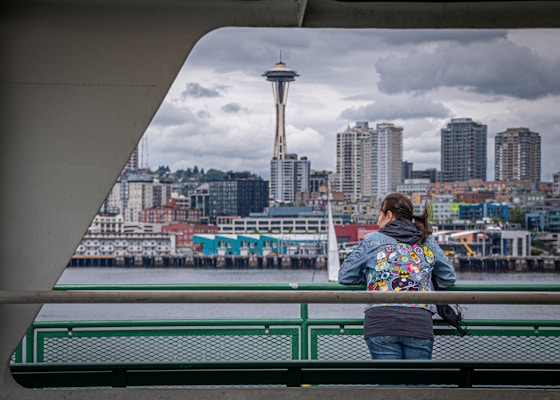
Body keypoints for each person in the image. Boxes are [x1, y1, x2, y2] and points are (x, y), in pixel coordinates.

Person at [338, 193, 456, 360]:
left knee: (390, 383)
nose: (378, 220)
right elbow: (448, 277)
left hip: (381, 321)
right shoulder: (426, 239)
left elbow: (344, 276)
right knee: (419, 383)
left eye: (379, 214)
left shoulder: (372, 240)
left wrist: (374, 276)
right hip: (419, 321)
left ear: (389, 215)